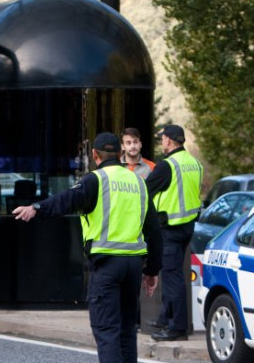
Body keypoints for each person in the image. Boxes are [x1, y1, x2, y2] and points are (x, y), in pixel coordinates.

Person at [13, 132, 162, 363]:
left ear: (95, 155)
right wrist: (152, 270)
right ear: (120, 153)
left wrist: (37, 208)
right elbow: (153, 230)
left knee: (107, 330)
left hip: (106, 267)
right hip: (133, 266)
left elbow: (67, 199)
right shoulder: (139, 183)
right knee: (126, 331)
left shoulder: (96, 180)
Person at [145, 124, 203, 341]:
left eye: (163, 139)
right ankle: (165, 318)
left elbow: (145, 190)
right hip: (187, 226)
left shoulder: (167, 165)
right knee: (173, 275)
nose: (162, 142)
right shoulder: (194, 163)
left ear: (169, 140)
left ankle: (177, 328)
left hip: (170, 228)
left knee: (172, 278)